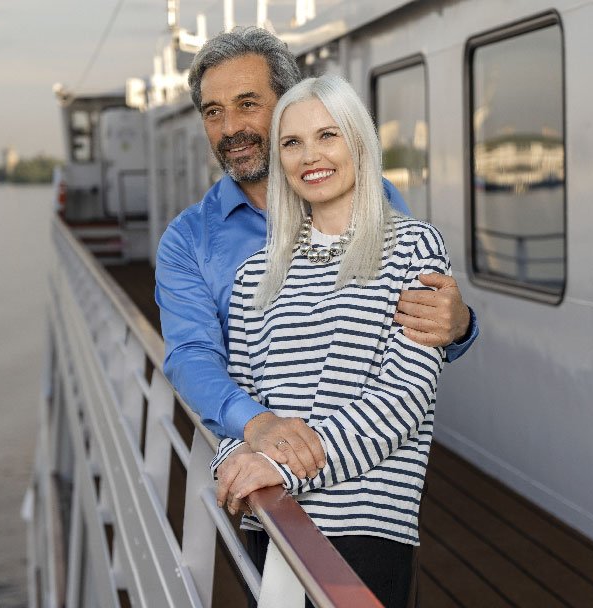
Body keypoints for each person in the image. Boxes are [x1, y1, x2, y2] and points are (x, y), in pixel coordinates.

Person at [155, 26, 478, 479]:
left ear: (288, 104)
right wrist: (255, 425)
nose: (230, 128)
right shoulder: (188, 240)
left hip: (368, 473)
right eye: (214, 112)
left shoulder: (376, 200)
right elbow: (191, 355)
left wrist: (458, 325)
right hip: (259, 472)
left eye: (247, 104)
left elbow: (406, 351)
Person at [212, 73, 448, 608]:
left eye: (327, 135)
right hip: (272, 518)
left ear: (358, 141)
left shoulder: (413, 248)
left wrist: (280, 466)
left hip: (364, 529)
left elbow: (404, 398)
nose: (310, 156)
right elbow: (241, 397)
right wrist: (233, 459)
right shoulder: (255, 275)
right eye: (292, 142)